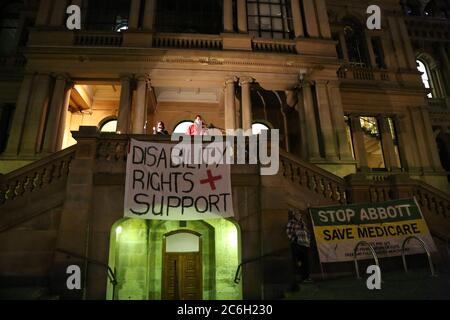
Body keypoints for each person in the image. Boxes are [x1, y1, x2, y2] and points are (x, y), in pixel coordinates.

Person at [286, 208, 313, 288]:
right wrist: (294, 240)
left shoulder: (303, 223)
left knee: (306, 262)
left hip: (305, 245)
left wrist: (308, 241)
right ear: (294, 215)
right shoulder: (291, 222)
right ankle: (298, 278)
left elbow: (307, 232)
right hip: (297, 245)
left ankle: (306, 278)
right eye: (297, 214)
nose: (299, 215)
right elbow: (289, 232)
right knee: (298, 262)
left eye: (299, 214)